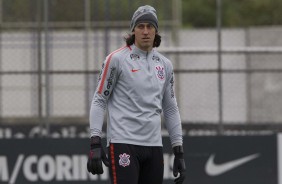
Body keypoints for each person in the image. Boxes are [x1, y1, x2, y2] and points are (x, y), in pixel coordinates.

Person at [87, 5, 186, 184]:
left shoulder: (165, 65)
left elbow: (170, 108)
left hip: (154, 146)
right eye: (141, 26)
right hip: (123, 143)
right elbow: (100, 99)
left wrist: (178, 151)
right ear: (133, 30)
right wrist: (95, 141)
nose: (146, 31)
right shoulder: (116, 59)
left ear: (156, 30)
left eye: (150, 26)